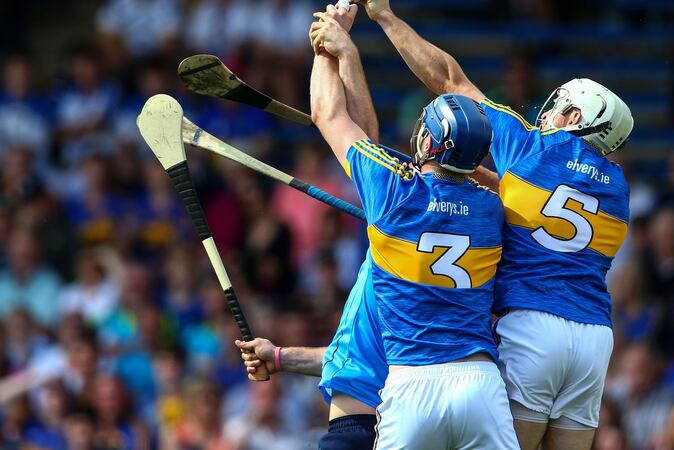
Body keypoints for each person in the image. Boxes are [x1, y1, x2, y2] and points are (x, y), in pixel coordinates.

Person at [355, 1, 633, 448]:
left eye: (561, 108)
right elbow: (533, 203)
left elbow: (449, 79)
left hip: (532, 325)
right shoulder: (618, 189)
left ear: (577, 118)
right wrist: (478, 177)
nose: (549, 114)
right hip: (594, 337)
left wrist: (386, 18)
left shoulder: (530, 146)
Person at [306, 14, 518, 448]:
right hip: (480, 382)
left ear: (426, 141)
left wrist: (328, 47)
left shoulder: (391, 189)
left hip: (412, 383)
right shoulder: (495, 208)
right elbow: (504, 188)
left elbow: (326, 113)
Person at [237, 4, 393, 449]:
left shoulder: (400, 210)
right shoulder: (458, 230)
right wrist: (280, 356)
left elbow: (340, 123)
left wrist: (332, 47)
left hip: (362, 428)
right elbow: (351, 358)